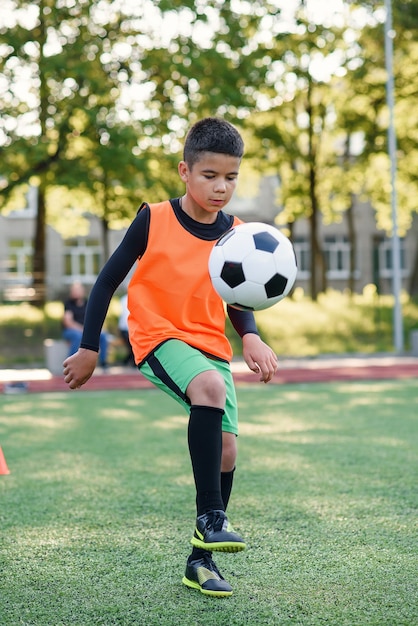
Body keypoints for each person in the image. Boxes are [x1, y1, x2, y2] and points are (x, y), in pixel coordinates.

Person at [63, 117, 278, 598]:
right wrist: (89, 347)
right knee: (209, 388)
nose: (221, 187)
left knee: (227, 449)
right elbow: (105, 281)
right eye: (210, 176)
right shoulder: (155, 218)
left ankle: (201, 563)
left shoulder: (238, 234)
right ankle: (210, 519)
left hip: (208, 344)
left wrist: (251, 336)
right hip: (157, 335)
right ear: (185, 171)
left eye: (231, 177)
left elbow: (239, 297)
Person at [62, 282, 109, 368]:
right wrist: (82, 329)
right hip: (71, 330)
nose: (75, 292)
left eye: (77, 290)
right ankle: (71, 362)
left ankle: (103, 362)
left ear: (82, 291)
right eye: (73, 290)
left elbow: (95, 318)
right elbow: (68, 322)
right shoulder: (68, 304)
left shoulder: (88, 303)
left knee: (103, 336)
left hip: (86, 330)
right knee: (78, 336)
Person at [118, 293, 135, 366]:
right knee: (131, 345)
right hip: (125, 329)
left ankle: (126, 361)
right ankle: (129, 361)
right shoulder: (123, 300)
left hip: (133, 329)